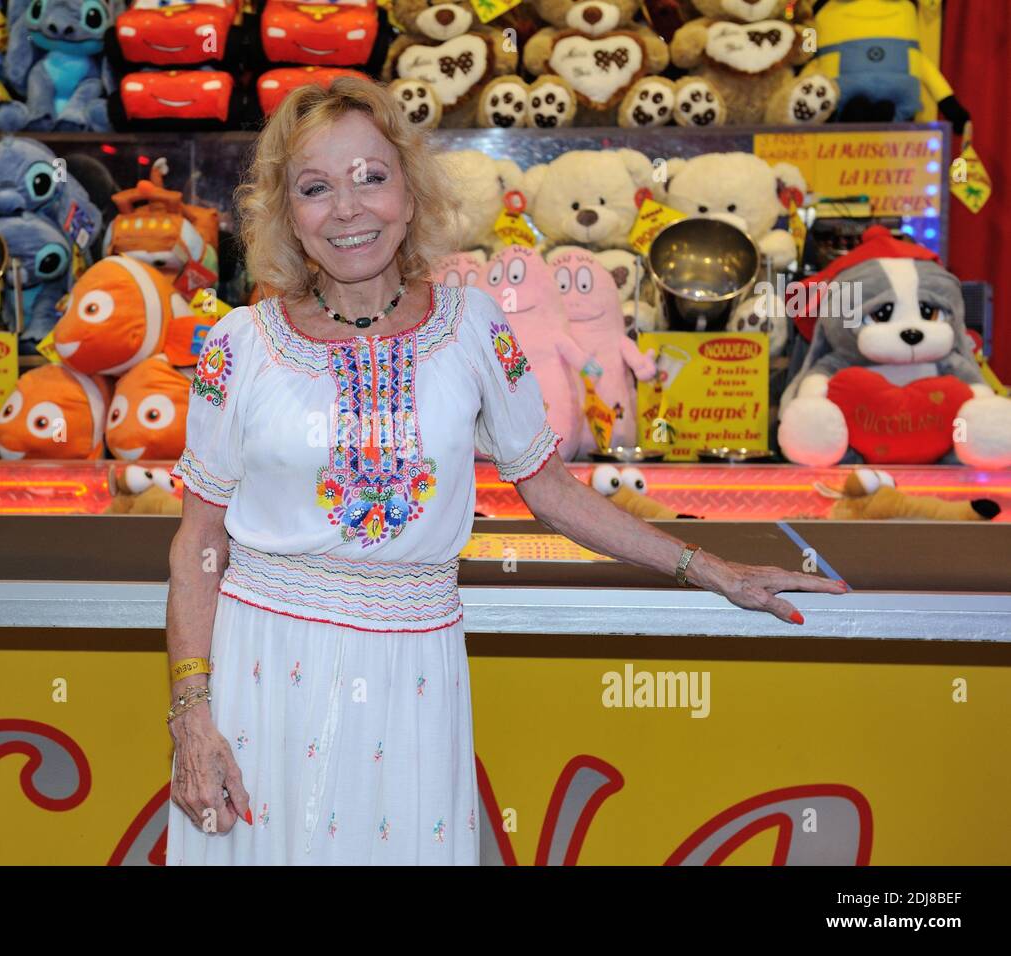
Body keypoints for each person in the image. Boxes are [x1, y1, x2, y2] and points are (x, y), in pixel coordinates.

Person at [164, 76, 847, 866]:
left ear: (412, 195)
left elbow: (550, 490)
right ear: (287, 212)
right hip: (260, 671)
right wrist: (192, 715)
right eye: (316, 187)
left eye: (371, 177)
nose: (347, 209)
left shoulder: (473, 326)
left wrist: (711, 568)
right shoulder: (239, 346)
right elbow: (199, 543)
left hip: (412, 671)